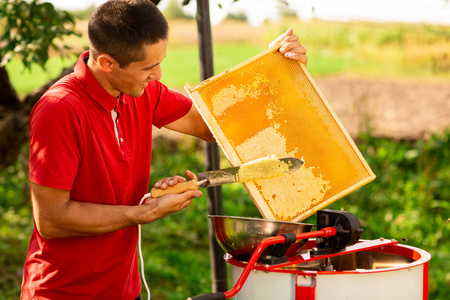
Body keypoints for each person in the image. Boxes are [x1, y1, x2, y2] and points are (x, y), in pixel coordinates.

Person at [20, 0, 308, 299]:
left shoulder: (142, 91)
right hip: (62, 291)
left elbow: (211, 128)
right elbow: (52, 220)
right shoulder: (59, 109)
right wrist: (140, 214)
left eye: (160, 62)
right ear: (107, 63)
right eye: (147, 67)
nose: (157, 75)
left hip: (122, 288)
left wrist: (277, 75)